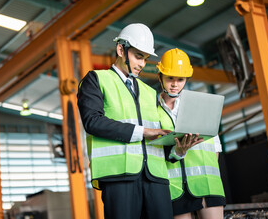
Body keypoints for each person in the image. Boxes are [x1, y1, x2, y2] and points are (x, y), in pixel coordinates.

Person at [77, 23, 201, 219]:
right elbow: (92, 121)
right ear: (121, 50)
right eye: (138, 56)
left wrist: (178, 151)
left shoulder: (149, 93)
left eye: (145, 58)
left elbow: (157, 138)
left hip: (156, 178)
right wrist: (142, 131)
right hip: (119, 176)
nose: (142, 64)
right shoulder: (96, 80)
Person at [157, 48, 226, 219]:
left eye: (180, 79)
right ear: (160, 77)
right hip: (175, 188)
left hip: (207, 185)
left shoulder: (201, 106)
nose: (175, 84)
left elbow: (215, 148)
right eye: (170, 78)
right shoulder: (151, 112)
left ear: (186, 80)